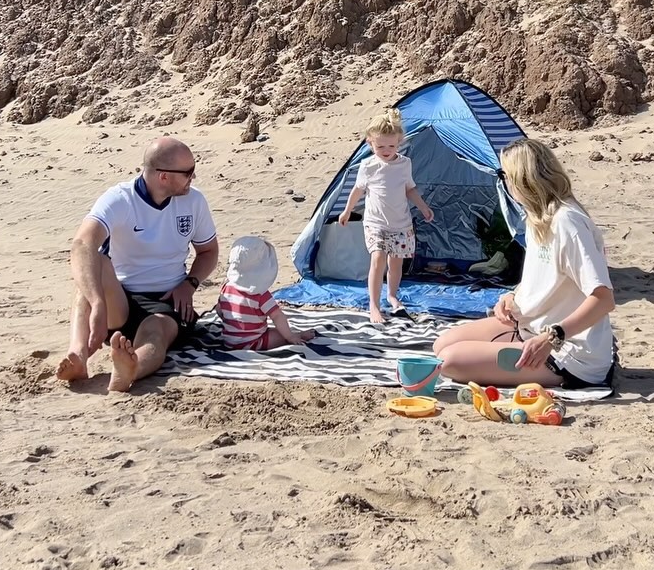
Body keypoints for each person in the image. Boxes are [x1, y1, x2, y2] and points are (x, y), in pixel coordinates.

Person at [433, 138, 615, 388]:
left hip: (567, 350)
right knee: (442, 345)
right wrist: (511, 297)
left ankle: (551, 369)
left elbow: (603, 299)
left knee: (449, 361)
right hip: (530, 326)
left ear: (523, 179)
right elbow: (543, 279)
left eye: (505, 175)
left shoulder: (567, 222)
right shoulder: (537, 217)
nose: (504, 183)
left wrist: (552, 337)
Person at [56, 136, 219, 393]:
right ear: (163, 176)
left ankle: (131, 368)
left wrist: (190, 284)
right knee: (94, 262)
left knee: (156, 334)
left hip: (166, 299)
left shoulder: (194, 201)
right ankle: (78, 354)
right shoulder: (121, 199)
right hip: (118, 298)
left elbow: (208, 251)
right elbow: (81, 244)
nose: (193, 177)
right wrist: (98, 302)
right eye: (188, 172)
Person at [338, 107, 434, 324]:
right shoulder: (368, 166)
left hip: (401, 223)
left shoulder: (404, 164)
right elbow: (358, 190)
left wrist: (423, 206)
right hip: (375, 223)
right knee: (378, 257)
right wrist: (347, 211)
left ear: (399, 142)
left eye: (391, 145)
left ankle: (392, 295)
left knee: (396, 264)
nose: (386, 150)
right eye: (380, 146)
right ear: (369, 143)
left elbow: (409, 189)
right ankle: (374, 304)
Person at [217, 235, 315, 349]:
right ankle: (295, 336)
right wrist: (289, 336)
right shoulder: (260, 294)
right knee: (280, 334)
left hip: (229, 342)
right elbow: (277, 316)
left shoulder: (226, 288)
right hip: (254, 343)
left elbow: (219, 310)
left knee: (274, 331)